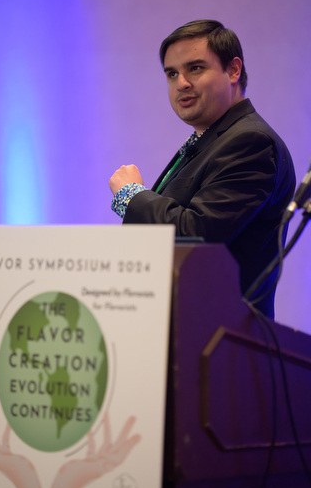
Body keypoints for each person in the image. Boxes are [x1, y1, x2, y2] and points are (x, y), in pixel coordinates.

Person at [109, 19, 296, 318]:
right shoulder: (212, 138)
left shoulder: (250, 142)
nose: (181, 83)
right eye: (172, 73)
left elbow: (196, 236)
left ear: (233, 70)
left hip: (219, 334)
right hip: (179, 327)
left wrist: (132, 196)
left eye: (195, 68)